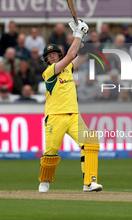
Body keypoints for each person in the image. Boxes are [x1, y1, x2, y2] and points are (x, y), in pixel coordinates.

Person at [38, 19, 103, 193]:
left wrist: (81, 37)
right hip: (55, 116)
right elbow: (70, 56)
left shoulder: (69, 69)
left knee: (90, 142)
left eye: (54, 54)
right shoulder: (50, 72)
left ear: (57, 55)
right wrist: (78, 34)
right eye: (49, 56)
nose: (52, 57)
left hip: (74, 116)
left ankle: (89, 182)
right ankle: (45, 180)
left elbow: (83, 55)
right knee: (51, 151)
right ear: (47, 60)